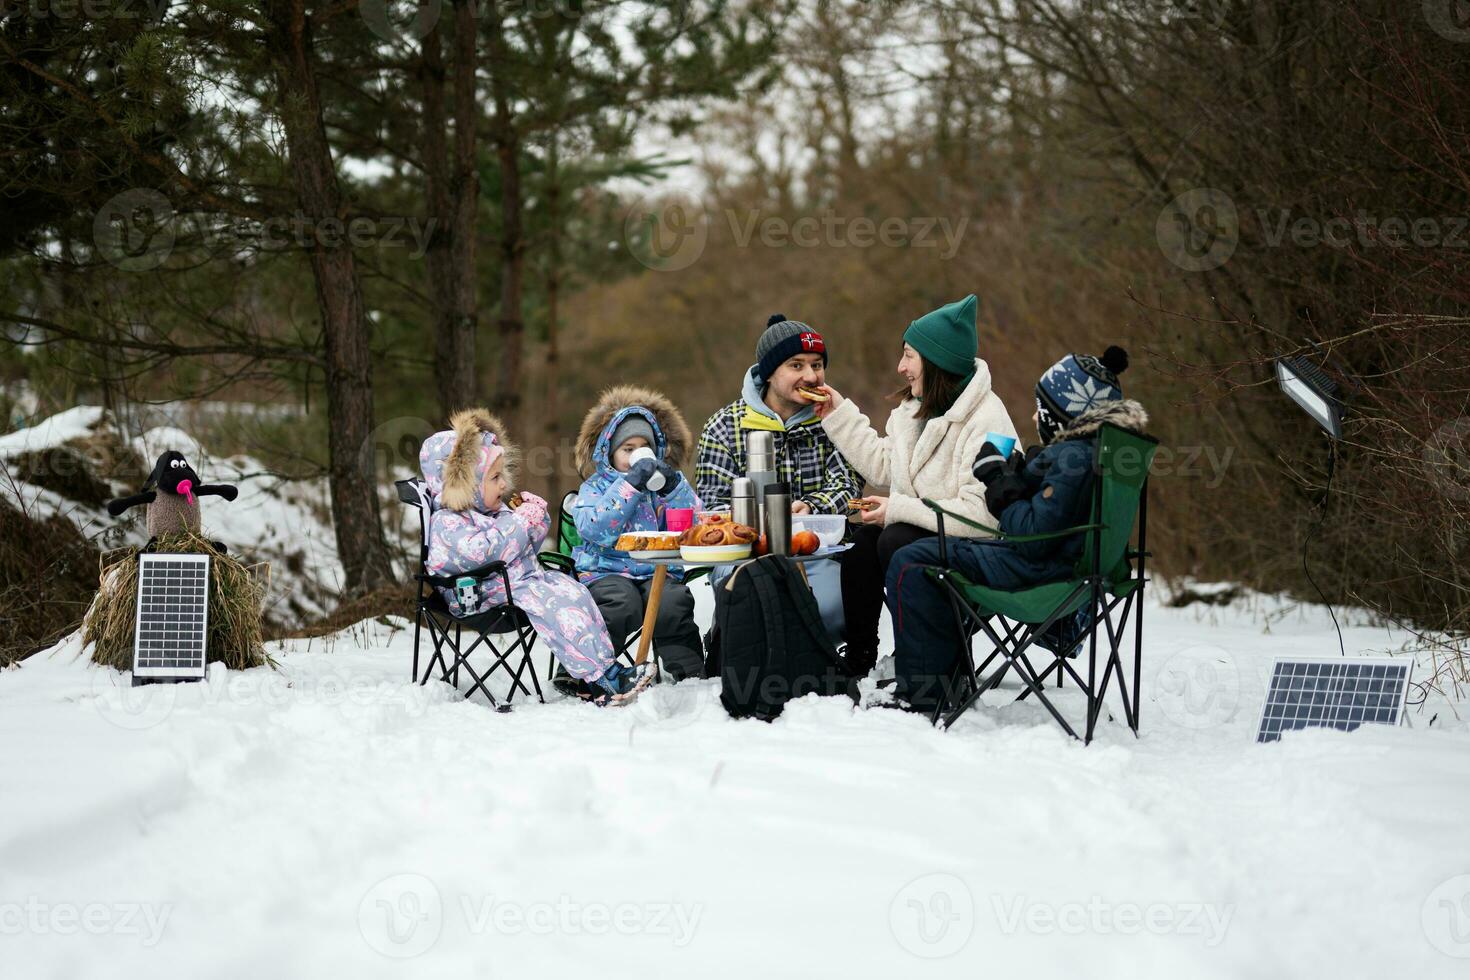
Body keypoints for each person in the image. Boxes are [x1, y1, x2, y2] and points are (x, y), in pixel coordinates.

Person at [883, 346, 1146, 713]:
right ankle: (945, 676)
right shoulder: (1096, 453)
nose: (1034, 417)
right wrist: (1020, 475)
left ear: (1063, 414)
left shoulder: (1073, 458)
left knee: (911, 560)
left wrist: (997, 481)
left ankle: (925, 693)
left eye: (1042, 410)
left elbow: (1031, 536)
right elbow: (1053, 515)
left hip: (1038, 571)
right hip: (1070, 568)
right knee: (922, 554)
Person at [811, 294, 1018, 677]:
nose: (900, 366)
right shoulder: (914, 410)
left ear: (936, 360)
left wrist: (898, 510)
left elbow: (984, 517)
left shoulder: (988, 421)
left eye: (909, 355)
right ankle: (859, 658)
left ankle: (929, 662)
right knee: (862, 543)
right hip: (924, 539)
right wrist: (838, 414)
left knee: (894, 538)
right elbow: (884, 464)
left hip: (979, 553)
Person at [419, 408, 653, 705]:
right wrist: (519, 523)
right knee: (557, 607)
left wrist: (535, 520)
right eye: (494, 478)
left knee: (575, 592)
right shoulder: (448, 523)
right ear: (467, 484)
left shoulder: (490, 510)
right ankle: (605, 679)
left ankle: (595, 672)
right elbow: (484, 552)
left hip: (513, 583)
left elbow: (520, 546)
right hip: (475, 595)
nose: (504, 484)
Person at [694, 313, 863, 641]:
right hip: (743, 555)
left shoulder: (834, 419)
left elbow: (850, 484)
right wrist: (758, 522)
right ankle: (741, 650)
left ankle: (804, 660)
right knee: (755, 602)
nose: (811, 376)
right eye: (796, 366)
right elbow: (712, 504)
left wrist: (812, 507)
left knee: (834, 609)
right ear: (769, 373)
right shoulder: (724, 426)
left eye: (817, 365)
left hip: (816, 553)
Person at [570, 385, 704, 682]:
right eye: (627, 449)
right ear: (610, 452)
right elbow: (595, 528)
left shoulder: (663, 486)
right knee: (620, 604)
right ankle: (595, 672)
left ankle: (690, 673)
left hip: (658, 569)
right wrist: (629, 485)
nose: (634, 455)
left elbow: (695, 524)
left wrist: (675, 489)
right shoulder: (596, 487)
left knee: (674, 603)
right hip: (607, 570)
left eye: (642, 448)